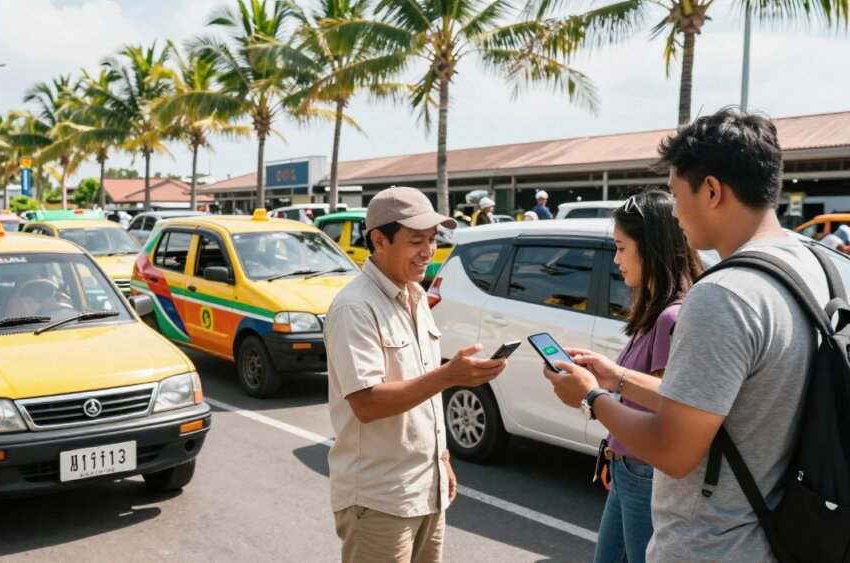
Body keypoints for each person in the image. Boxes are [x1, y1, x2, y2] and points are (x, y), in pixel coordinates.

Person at [543, 108, 829, 562]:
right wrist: (619, 378)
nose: (674, 212)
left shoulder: (723, 294)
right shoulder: (819, 266)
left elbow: (672, 450)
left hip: (715, 544)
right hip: (790, 530)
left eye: (677, 195)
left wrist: (591, 397)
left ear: (711, 190)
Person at [325, 186, 507, 563]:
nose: (428, 251)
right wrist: (449, 375)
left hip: (426, 488)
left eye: (432, 240)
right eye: (416, 241)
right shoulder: (354, 308)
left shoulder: (416, 296)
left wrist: (441, 459)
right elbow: (367, 403)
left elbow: (418, 385)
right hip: (380, 498)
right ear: (379, 240)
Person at [561, 189, 702, 563]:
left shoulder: (672, 316)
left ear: (651, 247)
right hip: (628, 467)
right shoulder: (654, 310)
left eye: (622, 248)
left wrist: (600, 389)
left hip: (645, 474)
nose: (617, 259)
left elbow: (672, 404)